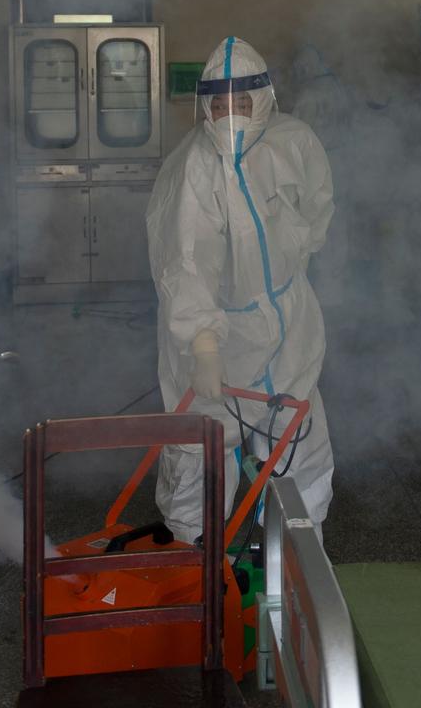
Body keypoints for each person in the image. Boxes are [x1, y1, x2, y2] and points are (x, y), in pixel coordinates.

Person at [145, 37, 336, 544]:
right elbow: (186, 262)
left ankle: (299, 561)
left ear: (265, 99)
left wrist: (293, 253)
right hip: (215, 332)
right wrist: (203, 341)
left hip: (287, 320)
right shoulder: (194, 167)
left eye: (243, 100)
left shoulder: (293, 144)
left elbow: (318, 209)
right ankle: (196, 564)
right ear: (204, 105)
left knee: (297, 437)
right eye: (220, 102)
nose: (232, 112)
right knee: (201, 448)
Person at [290, 44, 352, 309]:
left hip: (316, 166)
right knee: (338, 229)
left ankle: (318, 301)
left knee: (316, 228)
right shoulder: (339, 88)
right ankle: (336, 295)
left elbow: (293, 135)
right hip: (343, 164)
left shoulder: (309, 93)